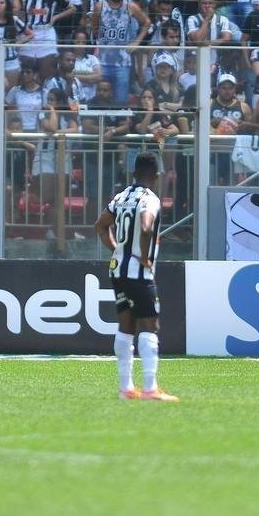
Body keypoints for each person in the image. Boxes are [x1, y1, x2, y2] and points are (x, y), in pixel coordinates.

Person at [94, 151, 178, 402]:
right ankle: (150, 389)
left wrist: (117, 249)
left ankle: (126, 389)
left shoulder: (121, 196)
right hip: (138, 272)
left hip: (117, 269)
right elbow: (146, 226)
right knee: (150, 326)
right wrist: (143, 256)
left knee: (126, 325)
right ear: (157, 175)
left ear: (134, 173)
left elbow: (100, 224)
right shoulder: (150, 199)